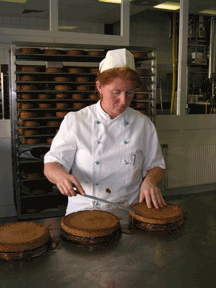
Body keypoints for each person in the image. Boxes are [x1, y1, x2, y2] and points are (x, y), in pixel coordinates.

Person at [44, 48, 166, 215]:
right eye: (116, 92)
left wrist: (150, 181)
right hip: (85, 211)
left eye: (130, 92)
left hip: (128, 210)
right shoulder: (76, 121)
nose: (124, 100)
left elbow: (156, 165)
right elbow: (51, 165)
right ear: (99, 87)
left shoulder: (143, 124)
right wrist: (60, 176)